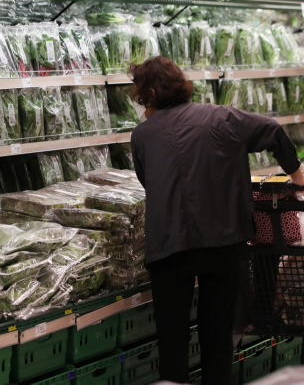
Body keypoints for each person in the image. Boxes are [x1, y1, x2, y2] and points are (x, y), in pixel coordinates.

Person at [129, 56, 304, 385]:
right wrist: (298, 177)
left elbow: (147, 181)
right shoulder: (224, 117)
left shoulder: (143, 134)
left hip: (169, 246)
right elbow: (274, 131)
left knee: (172, 338)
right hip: (223, 240)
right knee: (218, 334)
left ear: (149, 93)